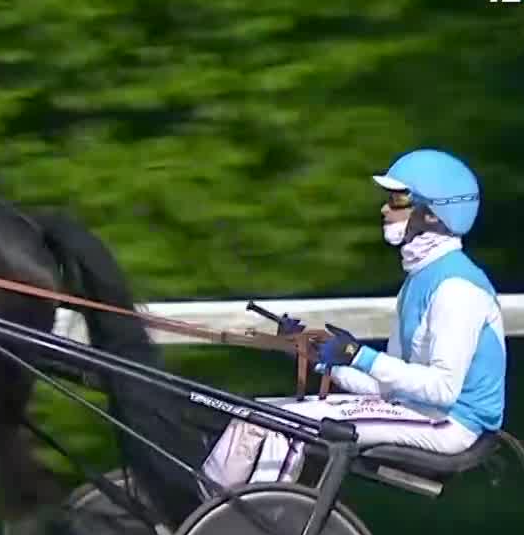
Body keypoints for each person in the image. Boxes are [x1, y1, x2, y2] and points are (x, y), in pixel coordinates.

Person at [200, 148, 507, 490]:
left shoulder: (457, 289)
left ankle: (252, 527)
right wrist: (320, 360)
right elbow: (388, 387)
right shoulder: (417, 282)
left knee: (290, 424)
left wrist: (361, 356)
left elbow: (442, 389)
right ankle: (197, 507)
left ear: (432, 215)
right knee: (254, 413)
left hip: (451, 425)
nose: (384, 209)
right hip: (416, 411)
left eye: (397, 200)